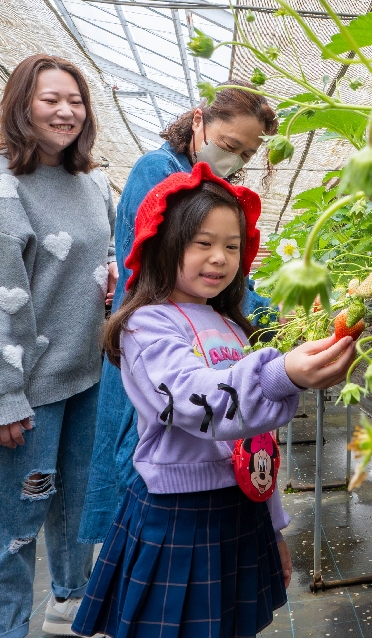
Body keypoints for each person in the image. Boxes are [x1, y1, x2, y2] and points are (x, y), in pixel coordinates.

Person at [72, 164, 354, 636]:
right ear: (163, 245)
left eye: (231, 246)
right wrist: (283, 373)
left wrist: (275, 527)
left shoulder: (232, 327)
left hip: (241, 506)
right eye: (202, 243)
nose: (219, 258)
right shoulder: (149, 325)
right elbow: (190, 399)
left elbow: (255, 443)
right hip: (179, 513)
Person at [0, 54, 117, 638]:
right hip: (26, 391)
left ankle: (70, 606)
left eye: (75, 101)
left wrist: (111, 271)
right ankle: (1, 629)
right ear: (21, 105)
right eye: (51, 100)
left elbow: (106, 249)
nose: (66, 111)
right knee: (11, 526)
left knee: (77, 509)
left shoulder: (91, 179)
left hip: (85, 375)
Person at [80, 84, 278, 544]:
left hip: (195, 340)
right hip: (158, 339)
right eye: (229, 145)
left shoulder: (213, 187)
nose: (234, 160)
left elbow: (236, 281)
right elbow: (165, 266)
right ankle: (115, 582)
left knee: (182, 462)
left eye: (245, 155)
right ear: (198, 121)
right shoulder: (160, 170)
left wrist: (271, 311)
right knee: (140, 468)